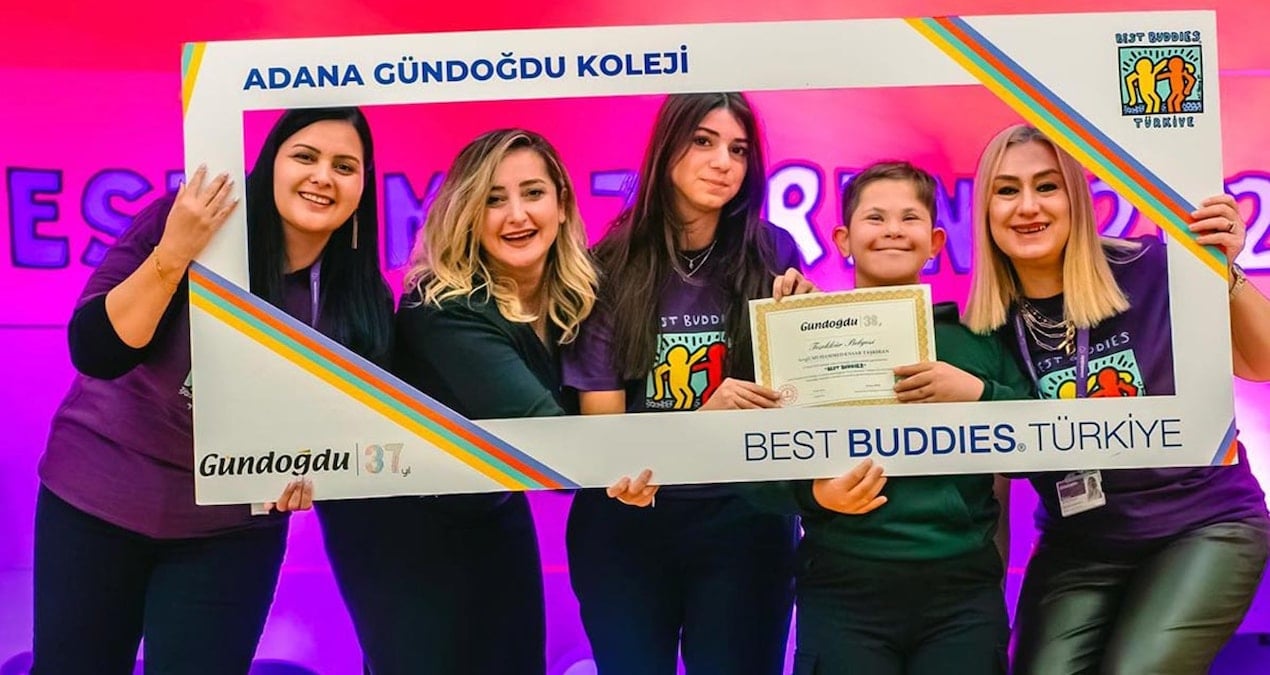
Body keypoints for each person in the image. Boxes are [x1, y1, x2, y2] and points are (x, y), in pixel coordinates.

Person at [33, 106, 392, 674]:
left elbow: (351, 433)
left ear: (363, 186)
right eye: (305, 156)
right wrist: (177, 252)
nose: (323, 176)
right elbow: (97, 351)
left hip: (228, 534)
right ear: (268, 164)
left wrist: (318, 470)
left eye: (344, 166)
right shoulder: (181, 221)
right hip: (96, 499)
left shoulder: (362, 298)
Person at [963, 123, 1270, 674]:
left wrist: (1224, 271)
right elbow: (992, 482)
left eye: (1047, 186)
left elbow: (1262, 362)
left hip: (1202, 523)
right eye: (1006, 190)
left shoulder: (1148, 268)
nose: (1027, 206)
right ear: (984, 209)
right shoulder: (985, 329)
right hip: (1081, 543)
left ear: (1077, 198)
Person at [314, 128, 597, 675]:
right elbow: (552, 446)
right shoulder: (441, 309)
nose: (517, 214)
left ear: (562, 204)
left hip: (489, 506)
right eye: (494, 199)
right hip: (395, 526)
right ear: (467, 213)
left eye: (533, 193)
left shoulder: (577, 298)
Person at [744, 161, 1028, 675]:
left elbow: (1043, 444)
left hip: (961, 593)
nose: (893, 229)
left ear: (936, 242)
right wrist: (815, 494)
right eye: (875, 217)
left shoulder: (979, 337)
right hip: (843, 590)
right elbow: (752, 469)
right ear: (843, 240)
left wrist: (978, 395)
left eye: (909, 218)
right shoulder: (801, 338)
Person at [562, 92, 806, 675]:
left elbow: (796, 399)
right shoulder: (607, 264)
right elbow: (604, 436)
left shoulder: (774, 250)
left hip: (746, 518)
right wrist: (700, 422)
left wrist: (808, 329)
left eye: (738, 150)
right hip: (629, 523)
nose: (723, 162)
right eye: (703, 141)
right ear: (667, 147)